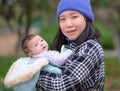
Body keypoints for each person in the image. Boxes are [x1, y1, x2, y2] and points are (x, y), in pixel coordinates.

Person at [36, 0, 105, 91]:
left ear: (86, 18)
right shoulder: (68, 46)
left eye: (74, 17)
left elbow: (62, 86)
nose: (68, 24)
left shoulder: (90, 47)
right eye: (62, 19)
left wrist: (32, 74)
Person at [4, 34, 72, 91]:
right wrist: (69, 52)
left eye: (41, 40)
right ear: (32, 54)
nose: (41, 43)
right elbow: (60, 60)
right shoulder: (45, 55)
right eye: (36, 45)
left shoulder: (39, 57)